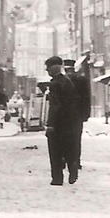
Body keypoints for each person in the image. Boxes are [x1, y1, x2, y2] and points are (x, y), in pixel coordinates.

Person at [42, 57, 76, 185]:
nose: (46, 70)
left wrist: (50, 124)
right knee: (68, 147)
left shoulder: (55, 84)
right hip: (69, 121)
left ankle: (57, 178)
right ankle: (72, 169)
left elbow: (55, 105)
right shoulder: (67, 81)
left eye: (48, 67)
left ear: (55, 67)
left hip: (57, 122)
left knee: (55, 150)